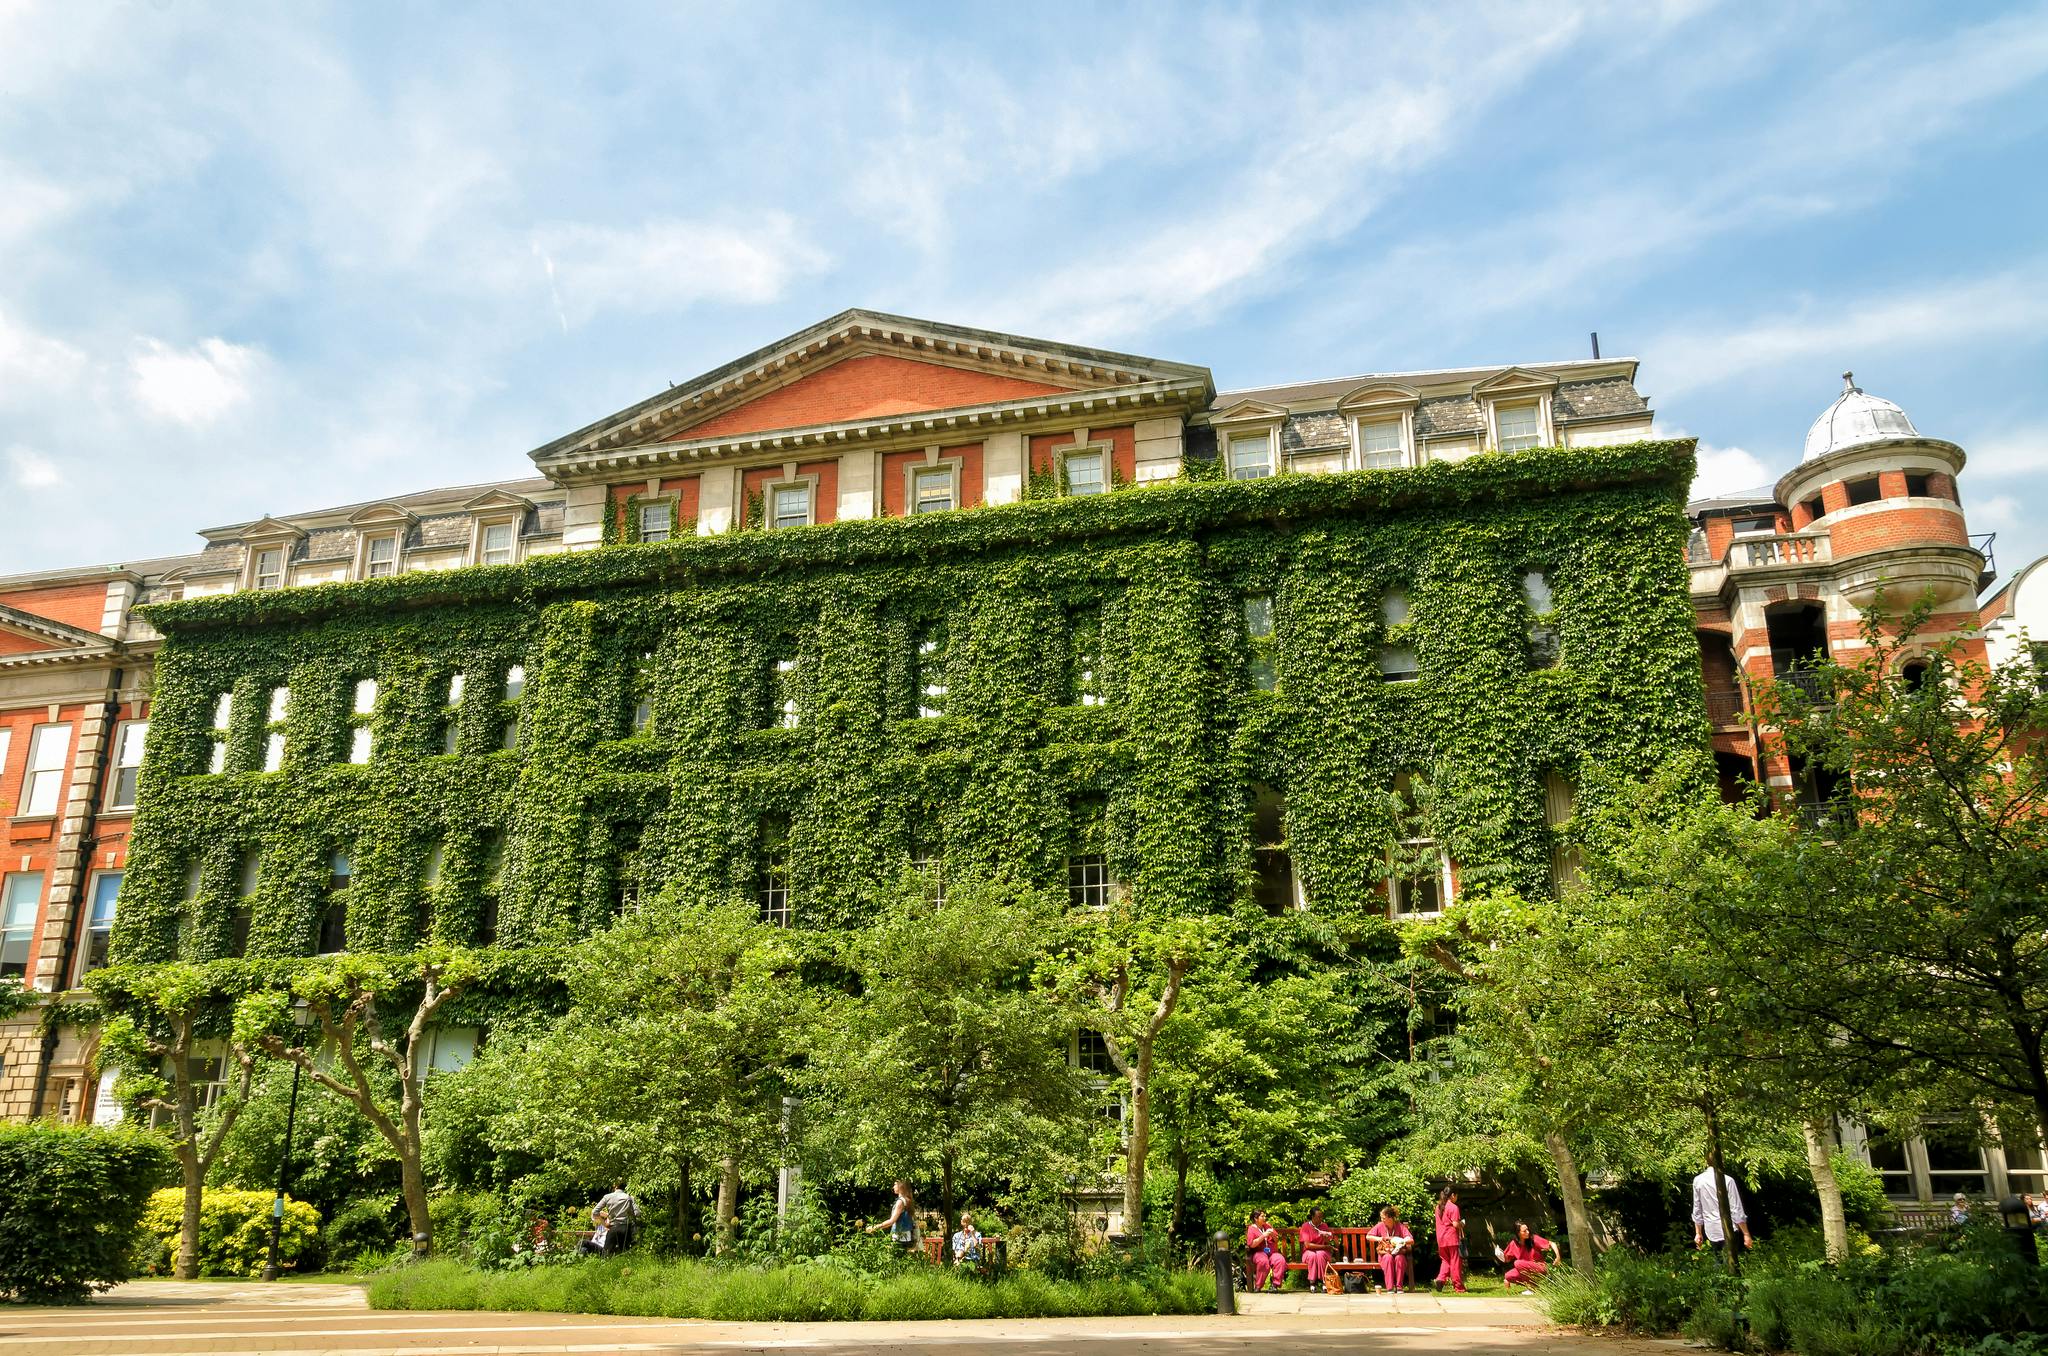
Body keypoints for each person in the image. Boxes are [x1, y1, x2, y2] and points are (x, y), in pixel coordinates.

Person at [1691, 1158, 1754, 1255]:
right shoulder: (1728, 1180)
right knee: (1732, 1263)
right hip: (1729, 1228)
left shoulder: (1698, 1181)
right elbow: (1736, 1209)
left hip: (1711, 1230)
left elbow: (1697, 1208)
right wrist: (1746, 1233)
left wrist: (1698, 1232)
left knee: (1718, 1262)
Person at [1497, 1221, 1560, 1293]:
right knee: (1508, 1276)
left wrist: (1558, 1257)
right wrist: (1500, 1255)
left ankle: (1532, 1288)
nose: (1528, 1232)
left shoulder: (1534, 1239)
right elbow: (1507, 1259)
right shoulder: (1513, 1243)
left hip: (1539, 1267)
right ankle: (1535, 1285)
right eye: (1524, 1231)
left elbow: (1552, 1243)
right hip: (1524, 1268)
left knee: (1518, 1263)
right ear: (1518, 1233)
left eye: (1528, 1229)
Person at [578, 1181, 637, 1255]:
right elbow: (637, 1213)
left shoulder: (607, 1197)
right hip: (626, 1228)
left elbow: (594, 1212)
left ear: (615, 1186)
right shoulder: (629, 1197)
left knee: (606, 1254)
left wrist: (604, 1224)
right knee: (625, 1252)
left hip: (613, 1227)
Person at [1366, 1205, 1414, 1292]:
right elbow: (1368, 1236)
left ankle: (1399, 1287)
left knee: (1400, 1258)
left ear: (1390, 1218)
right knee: (1388, 1258)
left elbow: (1411, 1240)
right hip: (1385, 1254)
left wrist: (1402, 1240)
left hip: (1398, 1253)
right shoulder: (1380, 1225)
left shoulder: (1400, 1226)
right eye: (1381, 1218)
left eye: (1383, 1218)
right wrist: (1379, 1238)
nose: (1382, 1220)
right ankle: (1390, 1288)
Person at [866, 1180, 920, 1251]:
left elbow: (892, 1221)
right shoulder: (907, 1200)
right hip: (907, 1237)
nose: (893, 1187)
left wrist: (875, 1227)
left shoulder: (900, 1202)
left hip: (899, 1238)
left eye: (895, 1185)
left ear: (901, 1186)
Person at [1432, 1187, 1466, 1293]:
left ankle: (1440, 1279)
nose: (1457, 1198)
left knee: (1445, 1260)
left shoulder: (1438, 1207)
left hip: (1441, 1239)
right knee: (1455, 1263)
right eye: (1456, 1196)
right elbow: (1455, 1224)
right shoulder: (1453, 1207)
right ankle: (1459, 1287)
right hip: (1451, 1238)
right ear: (1452, 1195)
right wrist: (1462, 1223)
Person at [1245, 1209, 1285, 1292]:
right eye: (1262, 1216)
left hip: (1271, 1252)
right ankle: (1258, 1286)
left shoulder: (1267, 1226)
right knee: (1263, 1261)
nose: (1264, 1218)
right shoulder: (1251, 1229)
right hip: (1259, 1252)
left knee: (1280, 1259)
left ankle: (1275, 1285)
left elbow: (1276, 1239)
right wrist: (1263, 1236)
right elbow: (1252, 1244)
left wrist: (1272, 1234)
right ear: (1256, 1218)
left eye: (1264, 1216)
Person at [1297, 1207, 1334, 1293]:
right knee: (1312, 1255)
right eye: (1318, 1217)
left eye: (1321, 1217)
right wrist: (1325, 1247)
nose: (1321, 1219)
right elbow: (1307, 1245)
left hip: (1322, 1252)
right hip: (1308, 1252)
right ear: (1312, 1217)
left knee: (1320, 1255)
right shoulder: (1305, 1226)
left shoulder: (1324, 1226)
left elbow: (1327, 1241)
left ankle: (1323, 1281)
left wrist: (1326, 1237)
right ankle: (1312, 1282)